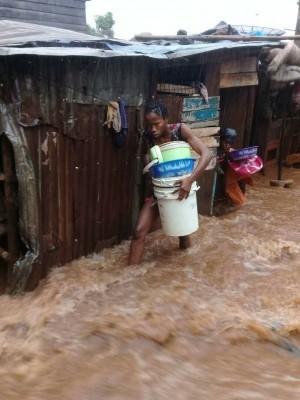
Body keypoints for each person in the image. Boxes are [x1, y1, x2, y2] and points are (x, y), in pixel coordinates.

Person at [128, 100, 212, 265]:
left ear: (166, 119)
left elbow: (206, 154)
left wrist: (189, 180)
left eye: (156, 124)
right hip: (159, 189)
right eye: (149, 124)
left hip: (182, 187)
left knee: (183, 231)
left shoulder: (180, 131)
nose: (152, 129)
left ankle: (186, 268)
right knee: (138, 232)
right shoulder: (148, 137)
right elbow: (146, 157)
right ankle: (128, 280)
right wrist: (152, 169)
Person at [215, 128, 253, 214]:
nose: (228, 146)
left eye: (230, 143)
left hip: (226, 181)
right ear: (220, 141)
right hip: (220, 181)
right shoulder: (216, 152)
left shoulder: (228, 151)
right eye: (226, 143)